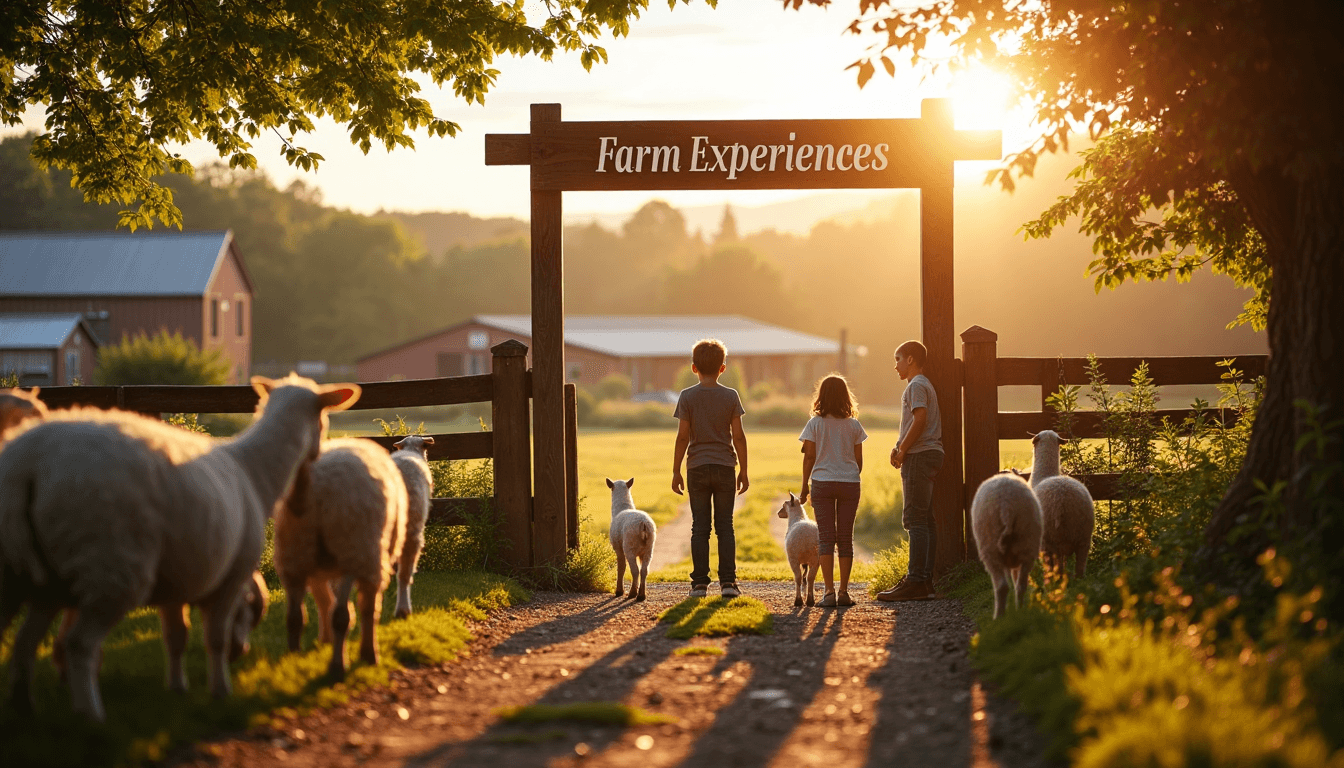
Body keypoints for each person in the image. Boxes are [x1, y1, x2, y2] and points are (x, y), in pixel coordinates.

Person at [671, 339, 750, 598]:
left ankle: (699, 584)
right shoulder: (730, 396)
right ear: (722, 368)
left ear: (694, 368)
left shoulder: (687, 397)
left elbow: (683, 437)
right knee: (725, 526)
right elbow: (738, 436)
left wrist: (676, 471)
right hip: (725, 466)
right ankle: (728, 583)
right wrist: (744, 470)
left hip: (696, 467)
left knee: (700, 527)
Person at [877, 340, 944, 602]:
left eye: (898, 359)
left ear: (911, 359)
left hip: (919, 455)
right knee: (926, 520)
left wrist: (902, 449)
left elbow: (920, 418)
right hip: (932, 453)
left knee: (914, 519)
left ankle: (915, 580)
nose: (896, 365)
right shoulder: (925, 384)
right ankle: (925, 582)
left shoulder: (916, 385)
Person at [799, 374, 868, 607]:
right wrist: (847, 473)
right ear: (845, 396)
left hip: (822, 482)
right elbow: (859, 461)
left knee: (826, 538)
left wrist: (804, 487)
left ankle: (828, 593)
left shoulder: (814, 424)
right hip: (850, 483)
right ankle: (844, 592)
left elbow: (809, 456)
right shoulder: (854, 425)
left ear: (821, 397)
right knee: (845, 538)